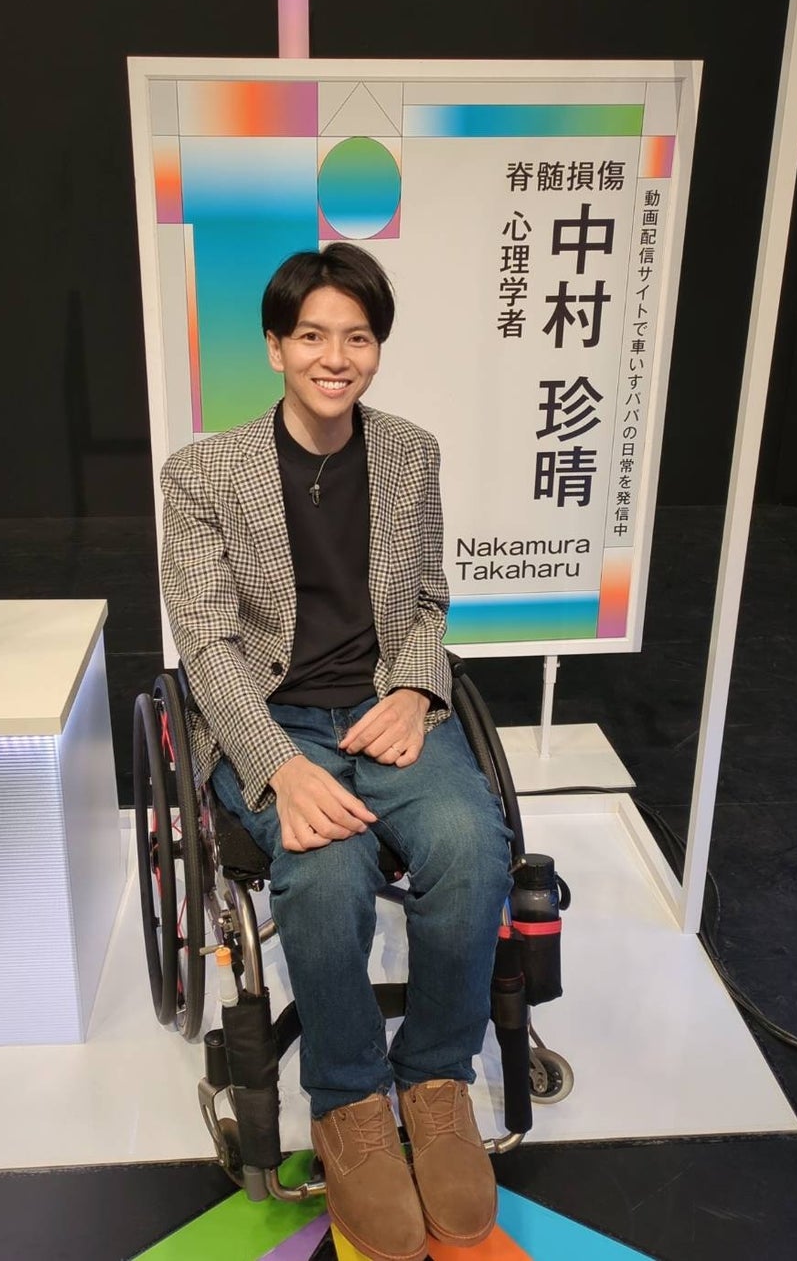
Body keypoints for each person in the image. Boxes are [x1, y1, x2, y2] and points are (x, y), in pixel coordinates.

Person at [160, 243, 512, 1261]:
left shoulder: (408, 453)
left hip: (381, 708)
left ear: (376, 349)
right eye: (311, 335)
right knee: (322, 870)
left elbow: (428, 601)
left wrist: (413, 688)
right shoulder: (203, 473)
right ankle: (348, 1104)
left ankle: (436, 1082)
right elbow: (206, 645)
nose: (335, 356)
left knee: (469, 844)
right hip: (272, 716)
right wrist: (276, 762)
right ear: (275, 347)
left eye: (356, 337)